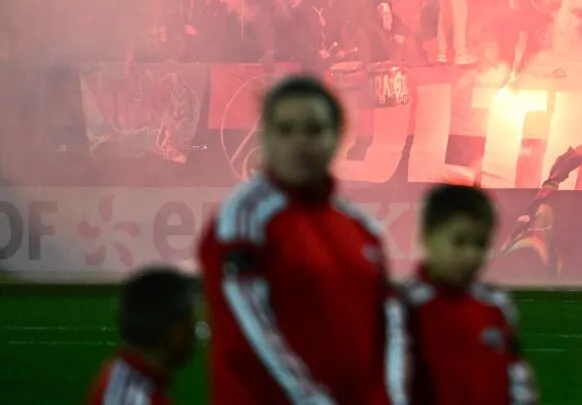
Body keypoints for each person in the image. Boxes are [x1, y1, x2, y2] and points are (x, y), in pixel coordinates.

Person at [199, 76, 406, 405]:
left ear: (338, 137)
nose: (300, 143)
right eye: (285, 130)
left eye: (313, 130)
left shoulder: (361, 229)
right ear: (264, 137)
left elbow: (388, 330)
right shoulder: (243, 219)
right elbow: (248, 330)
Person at [401, 184, 538, 405]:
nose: (470, 255)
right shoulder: (405, 307)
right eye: (459, 242)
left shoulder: (495, 304)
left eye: (480, 244)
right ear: (427, 237)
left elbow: (517, 375)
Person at [86, 267, 199, 405]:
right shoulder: (138, 397)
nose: (194, 333)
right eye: (191, 322)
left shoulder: (122, 373)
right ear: (176, 331)